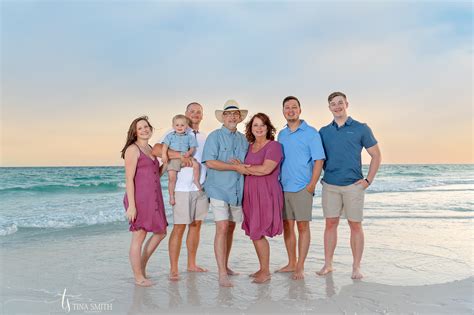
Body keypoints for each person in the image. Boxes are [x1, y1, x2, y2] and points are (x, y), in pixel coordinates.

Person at [317, 91, 381, 280]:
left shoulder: (361, 128)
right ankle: (328, 265)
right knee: (330, 224)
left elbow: (376, 155)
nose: (337, 107)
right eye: (333, 104)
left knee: (355, 225)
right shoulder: (323, 132)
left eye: (340, 103)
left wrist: (368, 180)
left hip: (354, 185)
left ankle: (356, 267)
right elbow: (316, 158)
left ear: (347, 104)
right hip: (330, 185)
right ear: (329, 108)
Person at [152, 102, 209, 281]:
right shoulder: (174, 131)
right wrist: (180, 156)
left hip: (200, 188)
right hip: (181, 188)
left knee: (196, 226)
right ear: (185, 114)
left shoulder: (205, 137)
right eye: (191, 111)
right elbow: (156, 150)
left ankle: (191, 264)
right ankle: (174, 269)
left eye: (198, 112)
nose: (195, 114)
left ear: (202, 115)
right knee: (179, 227)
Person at [277, 96, 326, 280]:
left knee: (303, 227)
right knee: (287, 227)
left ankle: (300, 266)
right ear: (283, 111)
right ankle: (291, 263)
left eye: (294, 107)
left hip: (302, 188)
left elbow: (319, 160)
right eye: (287, 107)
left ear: (300, 110)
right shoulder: (281, 135)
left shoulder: (311, 133)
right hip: (283, 187)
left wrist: (312, 185)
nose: (291, 110)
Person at [202, 100, 249, 287]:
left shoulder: (243, 139)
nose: (232, 117)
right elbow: (210, 162)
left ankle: (226, 266)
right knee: (221, 228)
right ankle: (221, 273)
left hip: (237, 190)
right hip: (218, 189)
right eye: (228, 114)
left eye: (235, 114)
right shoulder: (214, 137)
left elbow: (246, 164)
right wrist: (234, 167)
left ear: (239, 117)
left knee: (230, 228)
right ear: (223, 117)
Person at [121, 116, 168, 287]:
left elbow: (156, 174)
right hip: (139, 199)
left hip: (154, 198)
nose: (144, 130)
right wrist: (132, 206)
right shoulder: (132, 150)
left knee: (161, 232)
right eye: (140, 128)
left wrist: (166, 164)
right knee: (139, 236)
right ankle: (138, 277)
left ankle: (140, 267)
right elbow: (129, 179)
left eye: (146, 127)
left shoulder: (150, 148)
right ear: (135, 132)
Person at [239, 113, 284, 284]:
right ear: (251, 128)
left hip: (266, 192)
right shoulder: (249, 147)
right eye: (255, 125)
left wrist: (244, 168)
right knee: (254, 231)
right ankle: (262, 268)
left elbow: (266, 169)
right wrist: (241, 166)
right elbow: (246, 167)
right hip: (250, 192)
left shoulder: (274, 146)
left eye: (262, 125)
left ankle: (266, 272)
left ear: (268, 128)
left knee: (258, 230)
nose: (259, 128)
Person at [162, 114, 202, 206]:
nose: (179, 127)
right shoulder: (170, 136)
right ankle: (171, 196)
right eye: (177, 125)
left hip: (185, 157)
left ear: (186, 126)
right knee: (172, 179)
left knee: (196, 165)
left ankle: (196, 180)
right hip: (174, 159)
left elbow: (193, 147)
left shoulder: (189, 137)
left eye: (182, 125)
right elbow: (165, 146)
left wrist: (189, 152)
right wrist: (164, 155)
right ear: (173, 126)